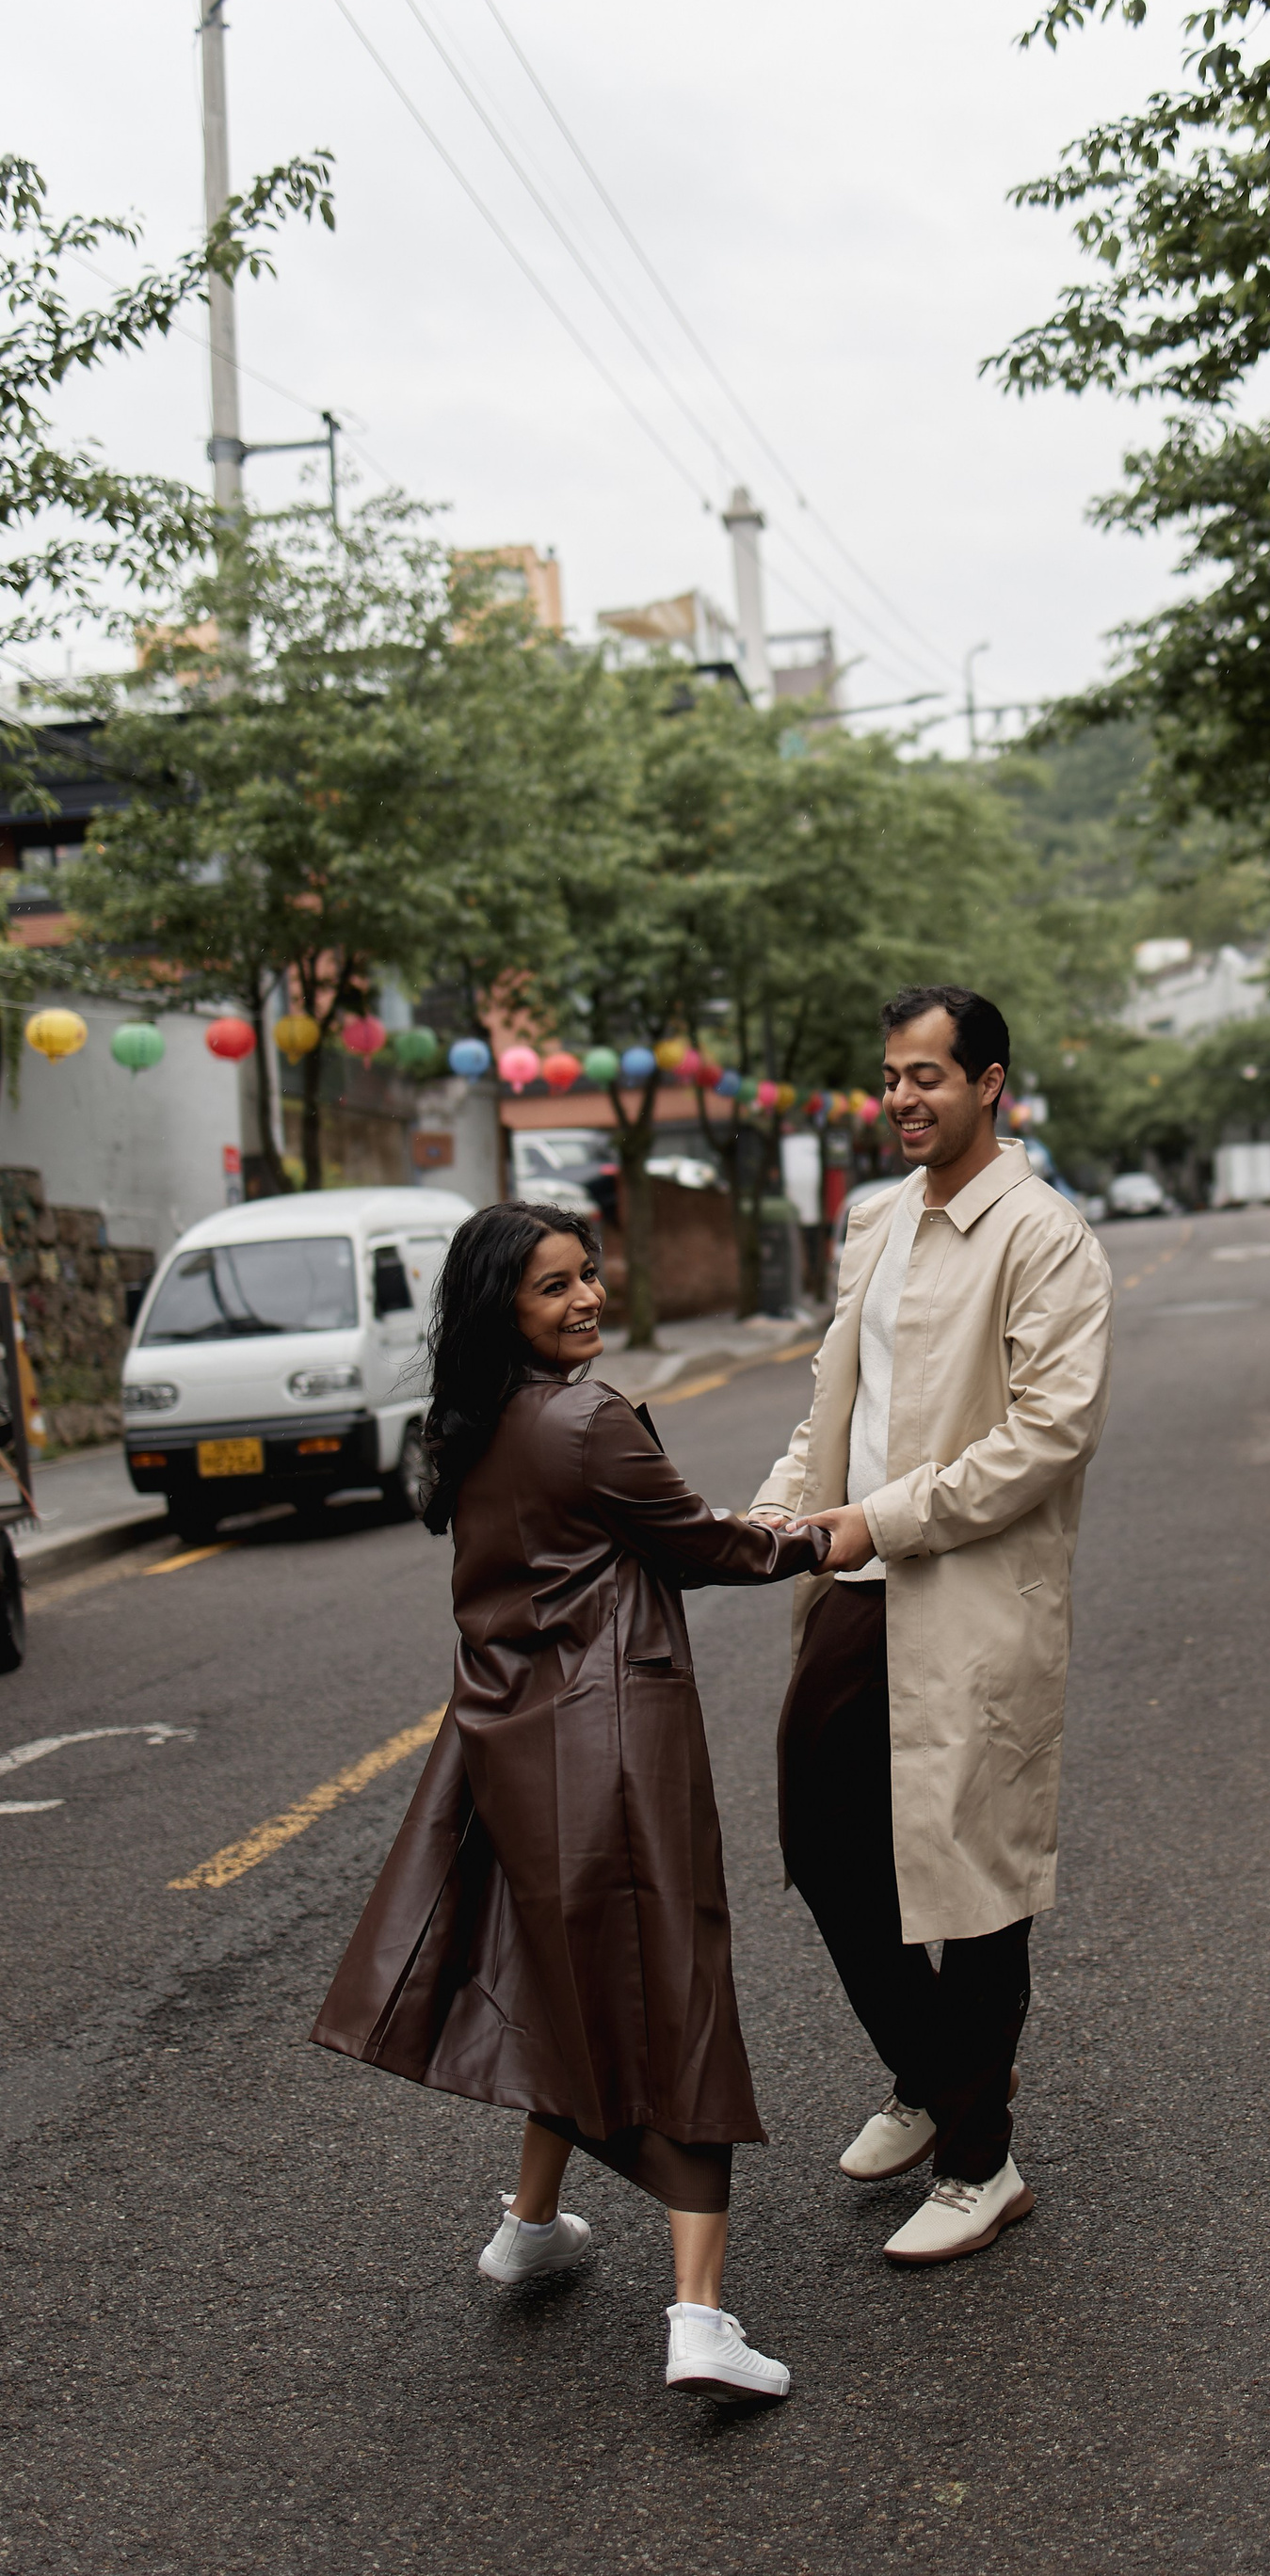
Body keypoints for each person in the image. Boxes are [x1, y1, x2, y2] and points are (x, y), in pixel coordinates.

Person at [311, 1202, 828, 2403]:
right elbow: (704, 1545)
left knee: (559, 1970)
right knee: (673, 1987)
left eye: (588, 1273)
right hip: (615, 1746)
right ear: (505, 1306)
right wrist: (814, 1540)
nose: (587, 1296)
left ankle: (533, 2223)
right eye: (554, 1285)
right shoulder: (588, 1420)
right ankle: (699, 2316)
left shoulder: (471, 1421)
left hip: (507, 1741)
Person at [748, 986, 1114, 2266]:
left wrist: (882, 1518)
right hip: (854, 1575)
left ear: (990, 1083)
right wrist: (776, 1515)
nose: (903, 1098)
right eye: (893, 1076)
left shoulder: (1043, 1235)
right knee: (823, 1835)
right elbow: (834, 1407)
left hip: (967, 1589)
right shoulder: (877, 1220)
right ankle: (936, 2070)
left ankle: (977, 2161)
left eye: (929, 1076)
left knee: (976, 1871)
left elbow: (1048, 1434)